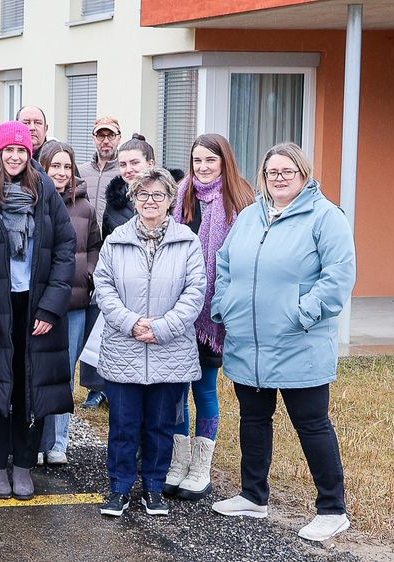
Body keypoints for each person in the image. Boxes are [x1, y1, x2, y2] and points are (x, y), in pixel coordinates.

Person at [210, 143, 355, 543]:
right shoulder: (252, 215)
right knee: (254, 420)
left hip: (299, 342)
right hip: (249, 342)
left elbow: (338, 276)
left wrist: (302, 313)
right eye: (271, 171)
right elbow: (224, 263)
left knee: (312, 425)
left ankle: (332, 509)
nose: (278, 178)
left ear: (303, 174)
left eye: (287, 171)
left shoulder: (326, 217)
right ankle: (253, 496)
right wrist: (225, 305)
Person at [0, 121, 75, 502]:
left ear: (29, 155)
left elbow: (64, 251)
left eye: (21, 151)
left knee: (30, 389)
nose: (15, 156)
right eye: (8, 150)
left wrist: (51, 308)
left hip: (35, 308)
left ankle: (23, 464)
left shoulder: (45, 194)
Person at [92, 167, 206, 517]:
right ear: (134, 198)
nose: (150, 201)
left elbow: (195, 291)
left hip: (169, 350)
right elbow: (104, 288)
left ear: (171, 200)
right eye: (143, 194)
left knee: (160, 426)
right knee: (124, 425)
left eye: (158, 195)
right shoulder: (116, 240)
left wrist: (163, 328)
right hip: (124, 347)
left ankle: (154, 487)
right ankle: (120, 488)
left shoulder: (187, 241)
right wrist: (133, 323)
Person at [165, 133, 254, 501]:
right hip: (174, 309)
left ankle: (201, 467)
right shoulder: (179, 196)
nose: (202, 167)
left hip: (210, 317)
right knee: (174, 390)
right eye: (197, 160)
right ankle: (178, 461)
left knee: (203, 388)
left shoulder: (241, 202)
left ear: (224, 162)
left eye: (210, 161)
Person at [36, 142, 102, 466]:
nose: (61, 173)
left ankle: (58, 442)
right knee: (38, 371)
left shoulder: (85, 208)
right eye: (55, 167)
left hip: (75, 303)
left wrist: (88, 275)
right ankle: (36, 439)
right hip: (40, 303)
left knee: (64, 373)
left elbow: (95, 247)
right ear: (43, 168)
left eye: (67, 167)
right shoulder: (34, 201)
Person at [103, 134, 173, 237]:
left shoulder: (172, 199)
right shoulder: (113, 203)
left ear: (151, 164)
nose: (128, 170)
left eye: (134, 163)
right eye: (123, 165)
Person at [80, 116, 122, 226]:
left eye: (111, 135)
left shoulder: (125, 172)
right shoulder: (80, 172)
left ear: (119, 138)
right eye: (100, 136)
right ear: (93, 138)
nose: (106, 141)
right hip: (88, 239)